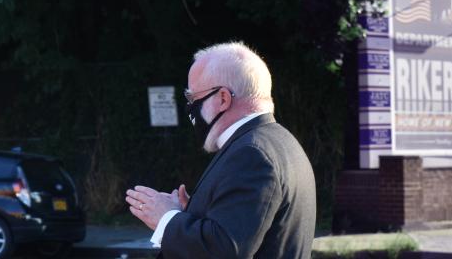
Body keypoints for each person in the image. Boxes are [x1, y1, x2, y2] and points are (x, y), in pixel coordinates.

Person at [125, 42, 316, 258]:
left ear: (223, 98)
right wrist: (195, 212)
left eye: (193, 98)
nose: (190, 107)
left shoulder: (252, 154)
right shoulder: (278, 141)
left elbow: (226, 249)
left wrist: (167, 219)